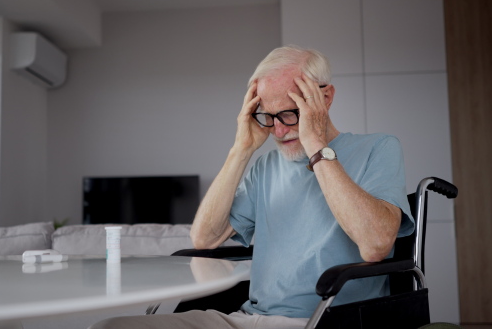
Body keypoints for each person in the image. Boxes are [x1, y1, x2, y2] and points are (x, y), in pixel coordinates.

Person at [89, 45, 415, 329]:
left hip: (326, 321)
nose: (277, 129)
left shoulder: (378, 148)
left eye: (290, 113)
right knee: (108, 326)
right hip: (247, 318)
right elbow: (204, 238)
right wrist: (241, 150)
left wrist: (316, 145)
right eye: (267, 116)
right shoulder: (265, 168)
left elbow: (375, 245)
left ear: (325, 98)